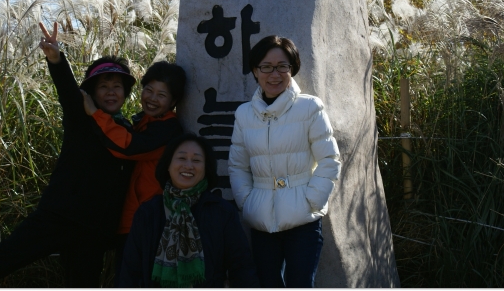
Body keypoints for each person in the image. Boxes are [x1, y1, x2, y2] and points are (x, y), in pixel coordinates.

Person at [0, 21, 159, 287]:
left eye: (117, 86)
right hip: (58, 216)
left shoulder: (127, 129)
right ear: (91, 93)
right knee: (2, 259)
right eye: (103, 86)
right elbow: (68, 91)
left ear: (125, 93)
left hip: (94, 230)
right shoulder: (82, 117)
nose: (111, 91)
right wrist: (56, 59)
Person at [228, 35, 341, 288]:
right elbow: (238, 165)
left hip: (303, 220)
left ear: (293, 68)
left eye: (282, 66)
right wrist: (247, 202)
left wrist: (312, 200)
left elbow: (329, 159)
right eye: (266, 67)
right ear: (255, 71)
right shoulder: (244, 114)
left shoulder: (310, 107)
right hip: (261, 220)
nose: (274, 74)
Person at [81, 61, 185, 284]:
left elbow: (127, 147)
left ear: (174, 102)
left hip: (149, 221)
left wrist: (96, 114)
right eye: (149, 90)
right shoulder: (143, 122)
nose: (152, 99)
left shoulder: (168, 130)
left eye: (161, 95)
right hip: (132, 220)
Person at [118, 133, 260, 288]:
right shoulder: (148, 213)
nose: (188, 165)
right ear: (168, 165)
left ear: (206, 168)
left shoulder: (222, 213)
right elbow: (130, 273)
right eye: (181, 158)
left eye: (196, 160)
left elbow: (242, 268)